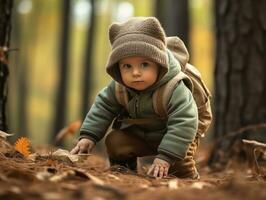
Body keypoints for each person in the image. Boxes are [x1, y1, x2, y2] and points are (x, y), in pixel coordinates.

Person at [71, 17, 199, 179]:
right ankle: (126, 174)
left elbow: (185, 121)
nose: (136, 72)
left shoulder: (174, 87)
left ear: (159, 64)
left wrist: (165, 157)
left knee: (178, 166)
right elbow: (102, 107)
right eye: (127, 66)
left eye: (144, 64)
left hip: (176, 137)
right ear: (117, 69)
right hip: (141, 136)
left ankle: (188, 181)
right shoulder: (119, 88)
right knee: (115, 141)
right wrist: (88, 136)